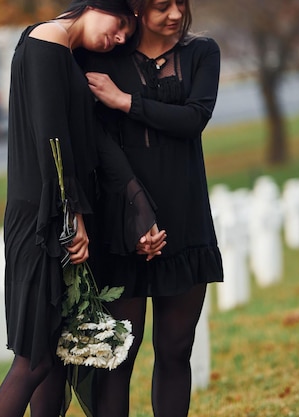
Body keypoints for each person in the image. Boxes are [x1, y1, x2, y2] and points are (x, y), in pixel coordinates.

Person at [0, 2, 165, 416]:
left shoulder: (60, 51)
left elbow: (83, 139)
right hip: (42, 220)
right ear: (96, 4)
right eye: (120, 25)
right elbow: (52, 141)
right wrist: (72, 217)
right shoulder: (46, 43)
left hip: (48, 214)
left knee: (50, 361)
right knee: (33, 362)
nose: (119, 37)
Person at [81, 0, 224, 415]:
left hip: (184, 220)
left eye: (182, 2)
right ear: (139, 8)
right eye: (163, 5)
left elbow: (193, 118)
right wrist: (135, 216)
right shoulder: (104, 56)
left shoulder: (202, 52)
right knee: (118, 358)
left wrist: (125, 101)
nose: (176, 14)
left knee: (176, 350)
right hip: (123, 224)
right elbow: (97, 139)